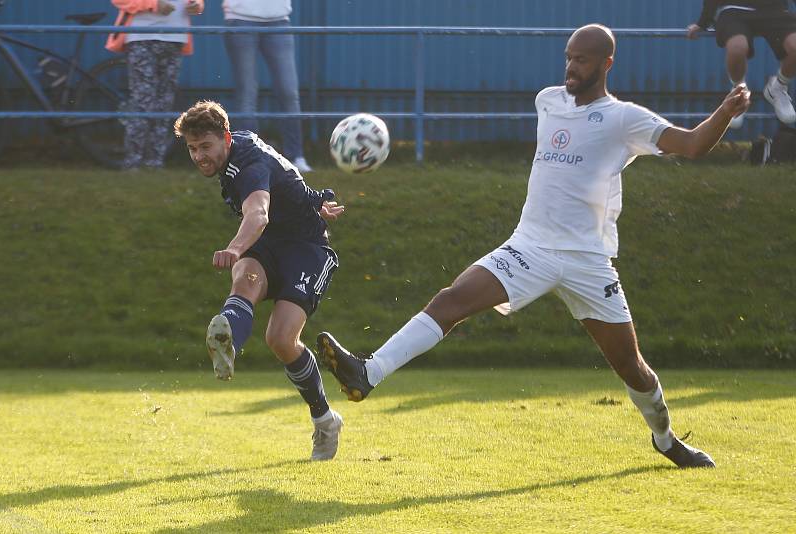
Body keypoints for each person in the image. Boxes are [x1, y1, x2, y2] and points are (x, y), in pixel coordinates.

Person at [316, 24, 752, 469]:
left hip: (587, 260)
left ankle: (665, 439)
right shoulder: (548, 101)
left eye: (581, 60)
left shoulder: (624, 118)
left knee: (632, 367)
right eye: (568, 56)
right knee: (451, 300)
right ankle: (366, 374)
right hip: (530, 247)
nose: (571, 67)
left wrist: (726, 111)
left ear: (606, 64)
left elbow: (694, 144)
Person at [173, 100, 345, 461]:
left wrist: (235, 247)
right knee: (244, 281)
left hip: (306, 249)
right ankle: (228, 341)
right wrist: (314, 200)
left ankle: (325, 420)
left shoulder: (245, 166)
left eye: (205, 147)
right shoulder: (244, 141)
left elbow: (258, 213)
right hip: (270, 246)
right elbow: (285, 176)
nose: (199, 156)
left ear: (225, 137)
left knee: (281, 339)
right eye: (191, 149)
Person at [106, 0, 204, 170]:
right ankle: (133, 162)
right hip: (142, 37)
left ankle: (155, 162)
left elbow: (197, 2)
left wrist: (197, 5)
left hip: (175, 39)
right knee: (142, 101)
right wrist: (153, 4)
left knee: (164, 103)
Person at [222, 0, 313, 174]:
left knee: (289, 92)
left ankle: (296, 156)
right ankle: (249, 158)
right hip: (240, 18)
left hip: (279, 20)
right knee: (247, 94)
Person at [687, 0, 796, 128]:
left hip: (774, 10)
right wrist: (703, 23)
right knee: (737, 48)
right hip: (734, 9)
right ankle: (738, 94)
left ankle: (777, 88)